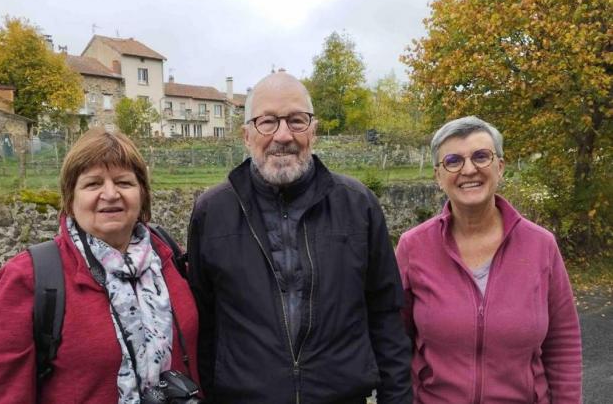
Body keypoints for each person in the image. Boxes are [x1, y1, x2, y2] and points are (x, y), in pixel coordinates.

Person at [187, 71, 412, 403]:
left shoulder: (358, 205)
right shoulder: (212, 212)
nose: (283, 135)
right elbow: (204, 325)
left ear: (314, 131)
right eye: (268, 122)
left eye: (296, 121)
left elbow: (386, 318)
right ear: (246, 134)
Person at [0, 128, 199, 403]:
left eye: (124, 182)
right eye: (92, 184)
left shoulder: (169, 258)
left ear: (142, 193)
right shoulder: (30, 278)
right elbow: (1, 395)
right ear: (70, 198)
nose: (110, 194)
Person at [396, 116, 583, 403]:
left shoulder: (540, 245)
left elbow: (563, 344)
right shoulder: (413, 247)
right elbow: (396, 340)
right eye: (453, 161)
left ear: (500, 166)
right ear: (437, 176)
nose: (469, 169)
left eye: (481, 156)